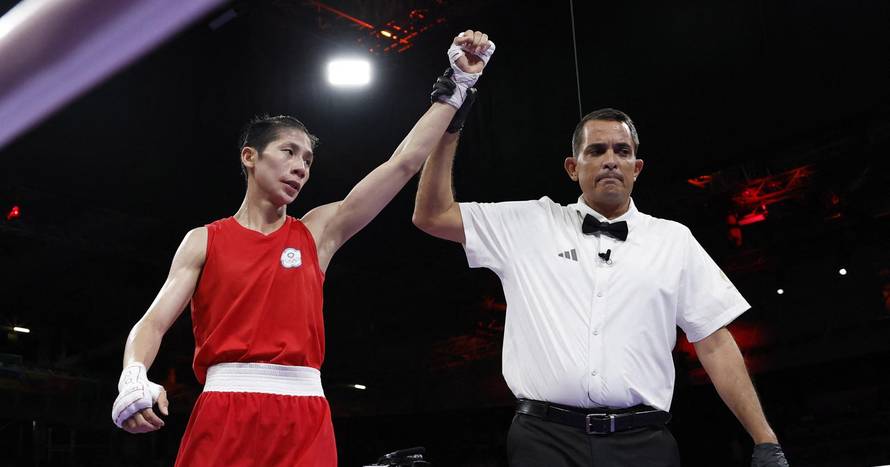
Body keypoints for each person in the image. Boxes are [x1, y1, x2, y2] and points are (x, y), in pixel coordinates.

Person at [110, 30, 495, 466]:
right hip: (225, 407)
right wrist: (133, 376)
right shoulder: (204, 239)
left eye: (308, 160)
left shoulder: (317, 233)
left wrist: (456, 86)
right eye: (288, 152)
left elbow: (403, 163)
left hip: (305, 412)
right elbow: (152, 324)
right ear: (250, 157)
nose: (299, 167)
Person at [412, 107, 789, 466]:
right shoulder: (529, 224)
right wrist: (450, 128)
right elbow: (431, 215)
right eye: (597, 150)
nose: (611, 159)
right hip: (545, 440)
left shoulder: (674, 240)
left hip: (644, 442)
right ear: (573, 168)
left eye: (621, 151)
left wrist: (765, 439)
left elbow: (715, 342)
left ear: (636, 168)